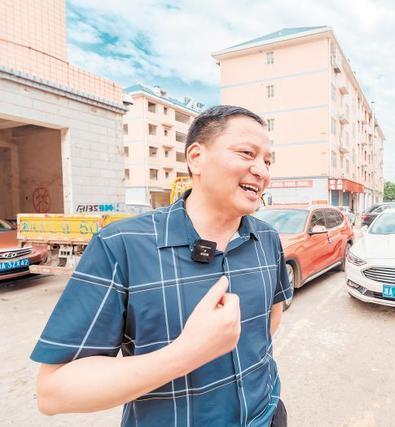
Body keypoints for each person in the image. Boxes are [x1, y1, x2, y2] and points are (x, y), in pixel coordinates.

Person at [31, 105, 292, 426]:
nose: (262, 171)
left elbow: (269, 321)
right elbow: (53, 390)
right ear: (196, 157)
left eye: (267, 161)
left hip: (266, 416)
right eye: (246, 153)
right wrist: (184, 354)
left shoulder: (266, 238)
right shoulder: (121, 245)